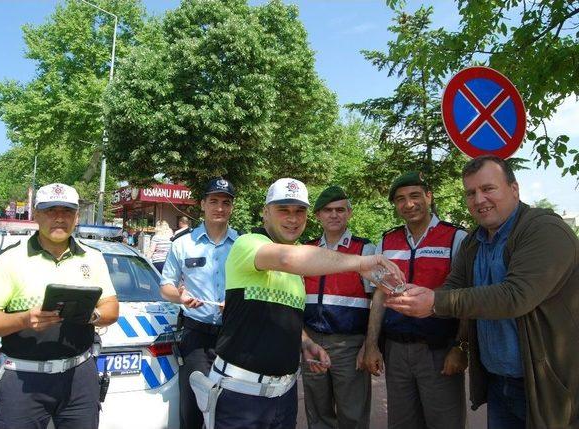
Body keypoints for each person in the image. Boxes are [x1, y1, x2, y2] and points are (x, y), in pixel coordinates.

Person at [384, 155, 579, 429]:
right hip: (499, 384)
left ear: (514, 188)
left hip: (546, 386)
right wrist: (418, 295)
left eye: (488, 189)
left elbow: (515, 296)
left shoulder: (544, 229)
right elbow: (455, 287)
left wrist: (434, 302)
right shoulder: (475, 240)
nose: (479, 200)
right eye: (471, 193)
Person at [192, 178, 403, 429]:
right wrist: (362, 262)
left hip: (284, 396)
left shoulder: (299, 260)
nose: (292, 219)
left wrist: (305, 342)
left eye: (299, 211)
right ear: (265, 212)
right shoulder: (248, 243)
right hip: (240, 396)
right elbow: (286, 258)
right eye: (283, 210)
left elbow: (281, 312)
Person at [0, 183, 119, 429]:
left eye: (67, 211)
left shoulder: (92, 257)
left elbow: (112, 309)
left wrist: (91, 315)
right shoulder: (9, 259)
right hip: (23, 380)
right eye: (51, 210)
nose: (59, 218)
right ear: (36, 215)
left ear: (76, 217)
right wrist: (23, 320)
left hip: (80, 378)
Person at [364, 171, 469, 429]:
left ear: (429, 197)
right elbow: (379, 296)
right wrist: (371, 345)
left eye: (414, 196)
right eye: (400, 199)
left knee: (445, 423)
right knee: (402, 424)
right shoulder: (386, 241)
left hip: (439, 351)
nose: (408, 204)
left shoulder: (456, 238)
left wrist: (461, 347)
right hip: (397, 352)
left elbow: (467, 298)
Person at [160, 177, 239, 429]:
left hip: (233, 337)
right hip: (195, 337)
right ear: (202, 204)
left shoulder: (242, 246)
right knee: (192, 411)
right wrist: (180, 296)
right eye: (213, 201)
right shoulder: (183, 243)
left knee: (231, 408)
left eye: (225, 202)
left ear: (232, 207)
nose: (219, 207)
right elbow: (166, 287)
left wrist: (237, 302)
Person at [302, 185, 376, 429]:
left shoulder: (365, 250)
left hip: (349, 345)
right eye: (328, 210)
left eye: (340, 210)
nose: (334, 215)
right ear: (318, 216)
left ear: (349, 213)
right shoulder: (306, 250)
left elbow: (378, 300)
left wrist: (370, 344)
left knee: (352, 415)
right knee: (318, 413)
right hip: (312, 342)